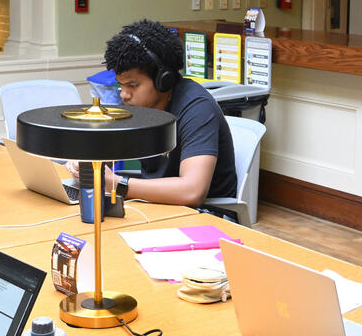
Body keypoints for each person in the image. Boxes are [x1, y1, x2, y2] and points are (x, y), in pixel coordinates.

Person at [70, 19, 237, 207]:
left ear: (163, 80)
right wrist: (86, 163)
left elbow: (192, 191)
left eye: (132, 85)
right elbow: (110, 149)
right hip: (155, 206)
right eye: (120, 85)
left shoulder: (197, 108)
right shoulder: (141, 107)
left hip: (204, 216)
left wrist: (117, 184)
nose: (124, 95)